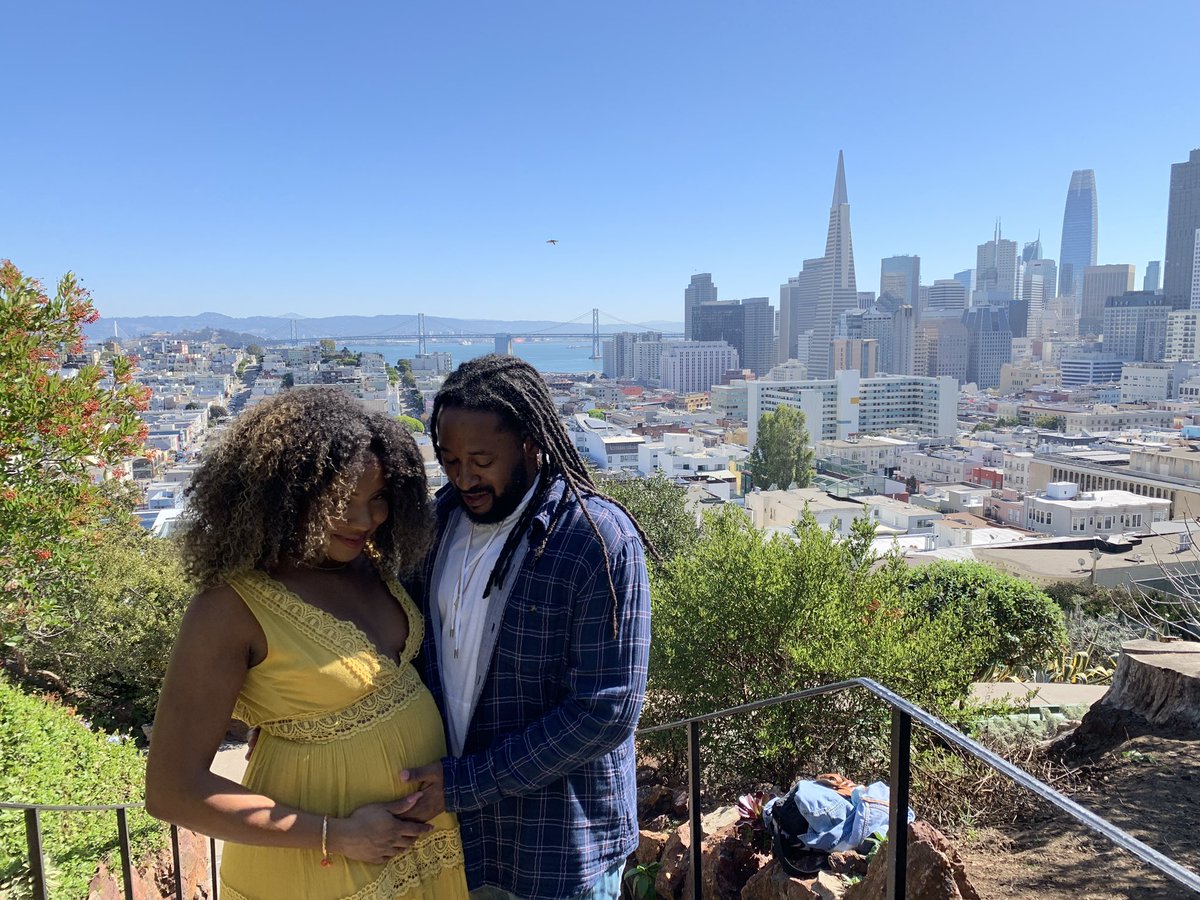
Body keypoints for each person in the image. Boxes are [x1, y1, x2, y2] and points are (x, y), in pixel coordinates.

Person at [146, 388, 468, 900]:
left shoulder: (372, 565)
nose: (365, 520)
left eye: (378, 498)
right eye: (340, 502)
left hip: (423, 847)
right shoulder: (228, 608)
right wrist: (336, 835)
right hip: (317, 866)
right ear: (284, 496)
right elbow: (172, 791)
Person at [398, 355, 652, 900]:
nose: (464, 477)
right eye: (450, 460)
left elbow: (606, 712)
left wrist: (465, 784)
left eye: (482, 460)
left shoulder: (597, 541)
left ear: (531, 444)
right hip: (461, 841)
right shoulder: (436, 524)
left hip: (557, 847)